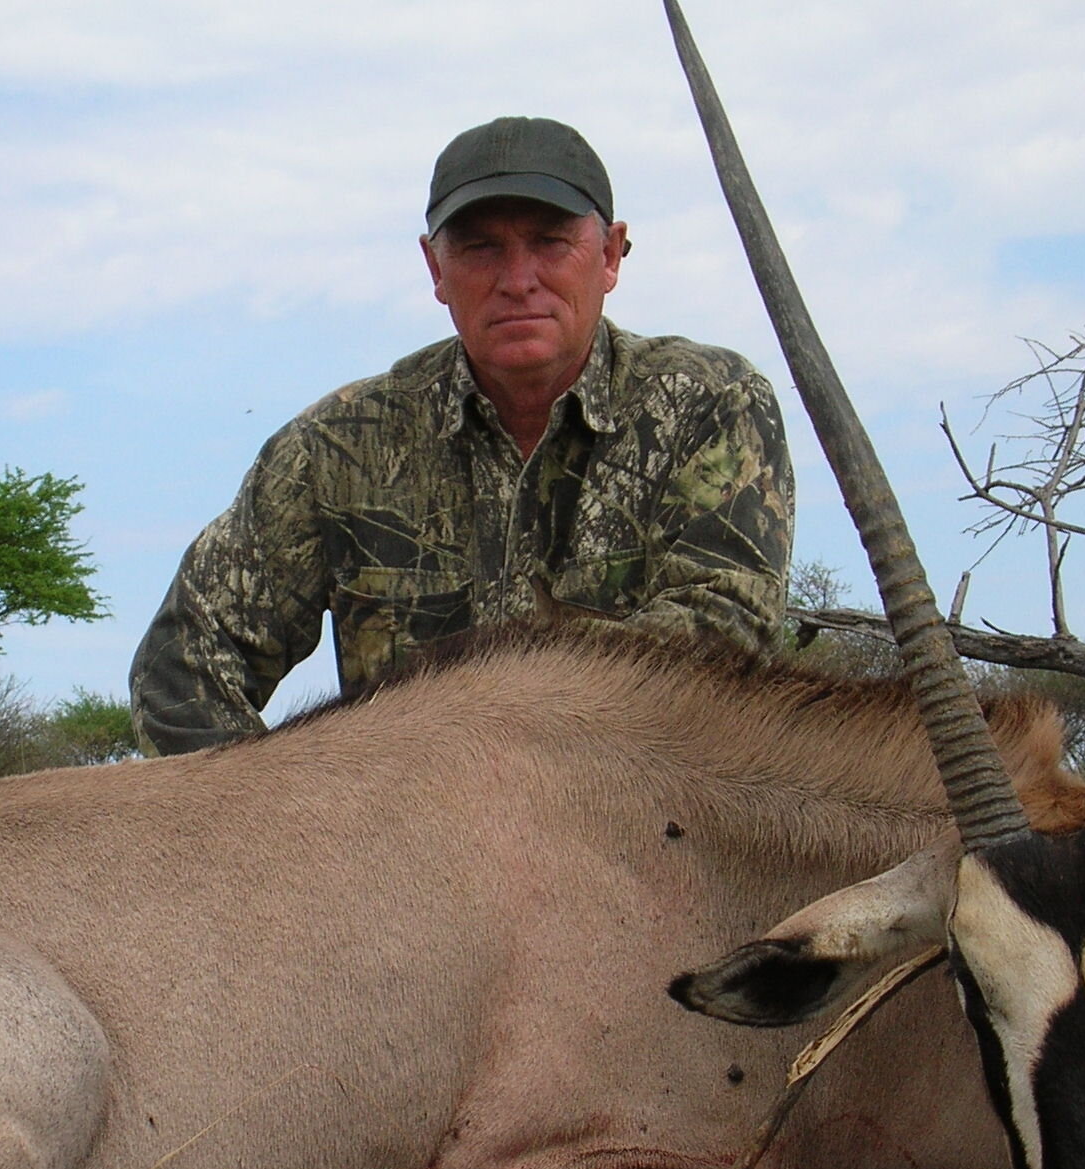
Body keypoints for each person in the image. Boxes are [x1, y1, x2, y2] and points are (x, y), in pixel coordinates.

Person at [129, 115, 794, 756]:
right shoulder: (335, 447)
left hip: (638, 833)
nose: (517, 280)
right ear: (435, 269)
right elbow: (180, 670)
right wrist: (288, 831)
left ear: (612, 254)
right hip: (398, 848)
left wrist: (488, 762)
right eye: (480, 249)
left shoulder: (711, 406)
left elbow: (723, 643)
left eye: (550, 243)